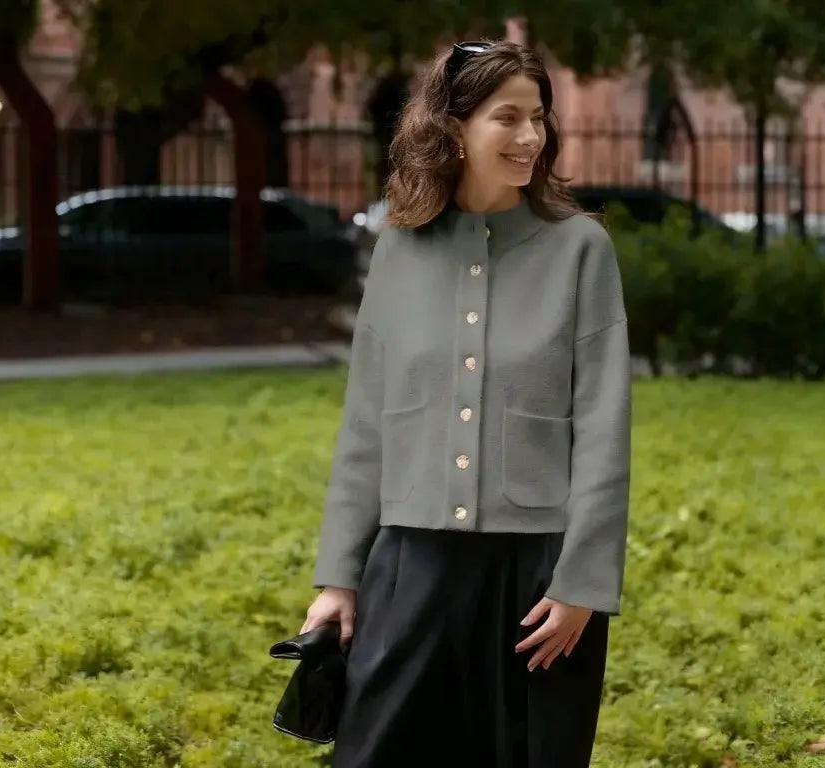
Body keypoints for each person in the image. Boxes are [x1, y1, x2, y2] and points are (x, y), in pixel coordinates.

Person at [301, 38, 632, 768]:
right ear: (453, 127)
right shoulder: (398, 245)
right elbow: (366, 426)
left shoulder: (580, 250)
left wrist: (583, 584)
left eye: (538, 119)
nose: (529, 137)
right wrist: (338, 579)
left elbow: (605, 430)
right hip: (412, 562)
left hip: (538, 580)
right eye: (506, 118)